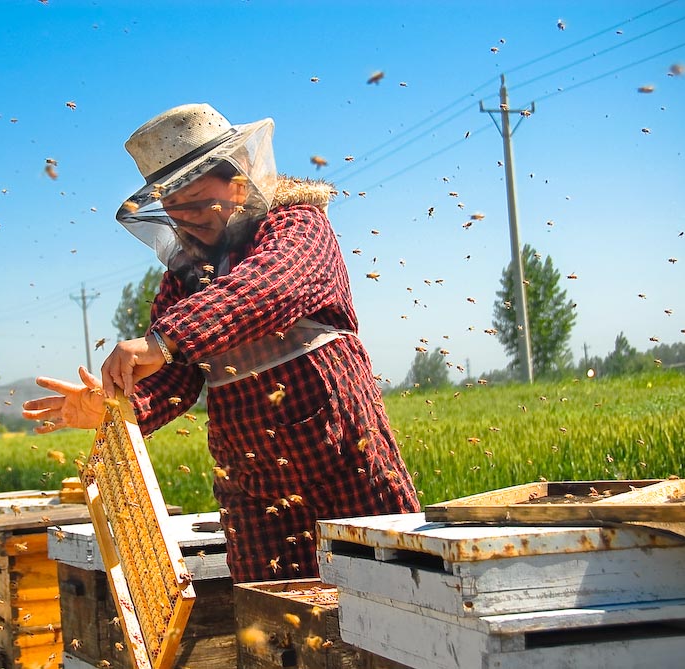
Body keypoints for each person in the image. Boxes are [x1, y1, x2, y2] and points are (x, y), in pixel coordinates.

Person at [22, 103, 419, 583]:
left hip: (342, 454)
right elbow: (174, 377)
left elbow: (269, 288)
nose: (185, 219)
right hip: (251, 481)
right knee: (271, 623)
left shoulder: (297, 225)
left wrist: (163, 340)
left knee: (396, 595)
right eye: (174, 207)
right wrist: (116, 406)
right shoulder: (185, 276)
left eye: (195, 201)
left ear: (239, 181)